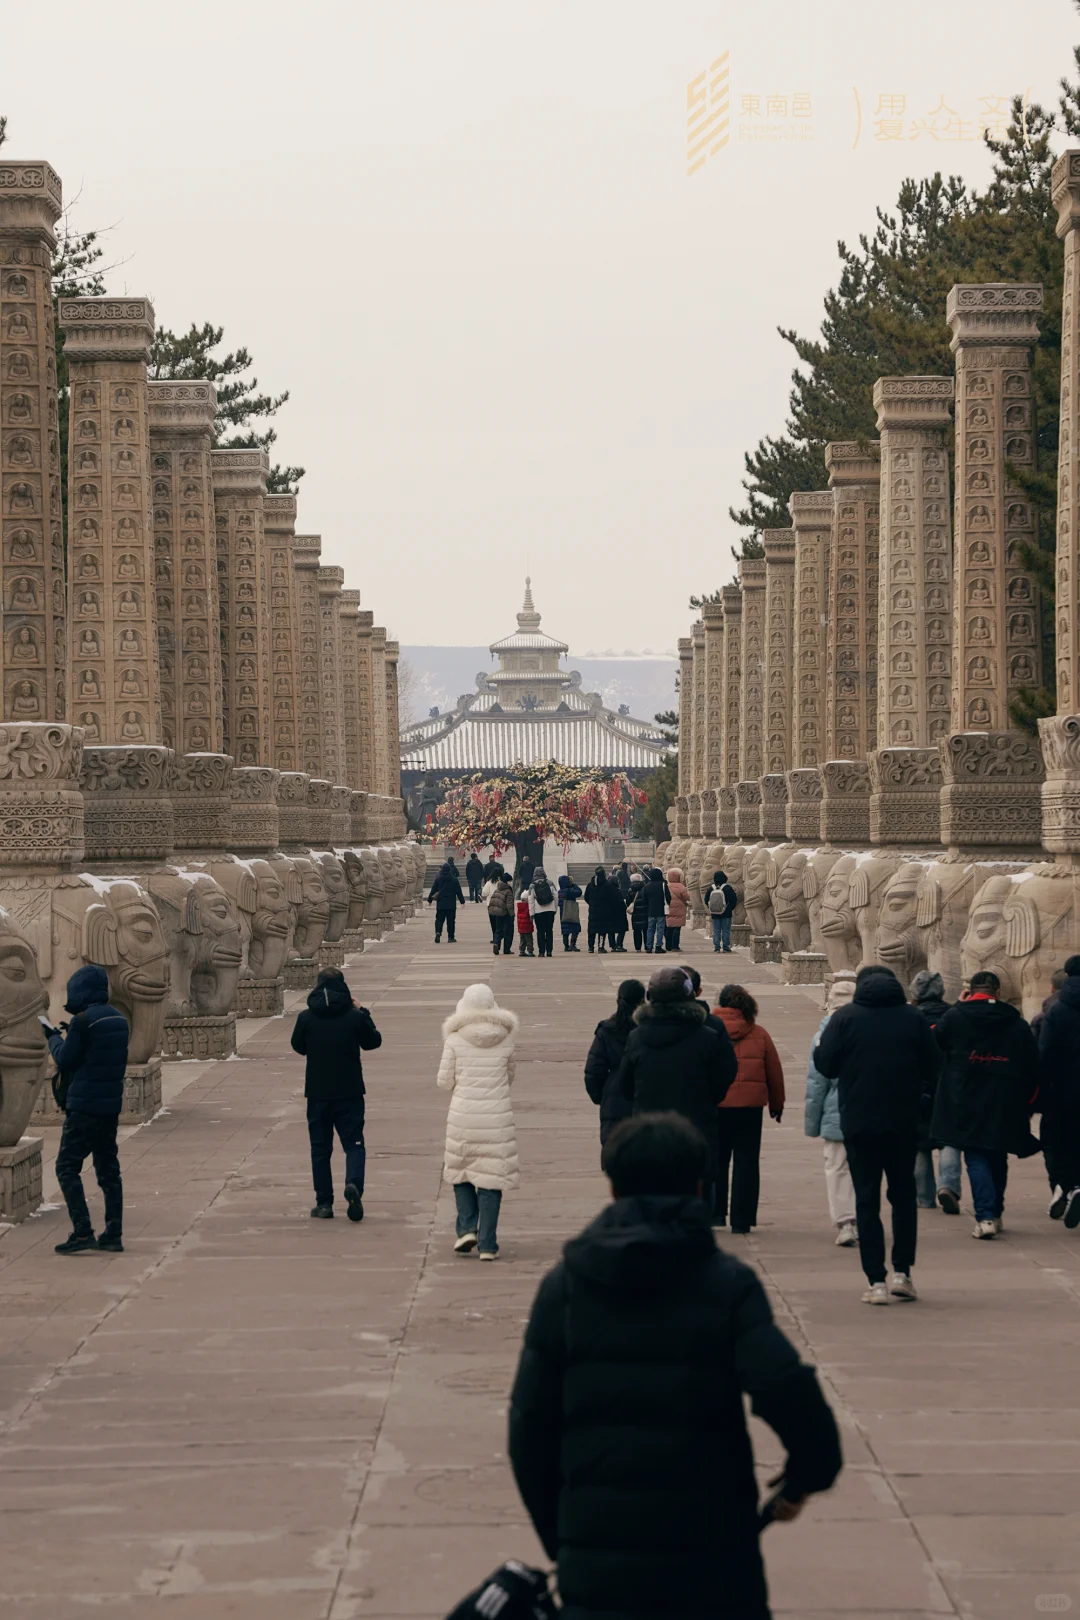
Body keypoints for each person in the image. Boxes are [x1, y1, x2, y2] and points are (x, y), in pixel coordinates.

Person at [508, 1113, 843, 1620]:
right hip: (711, 1558)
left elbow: (528, 1427)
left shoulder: (567, 1286)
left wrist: (566, 1540)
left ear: (613, 1187)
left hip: (598, 1566)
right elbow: (788, 1391)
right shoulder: (726, 1284)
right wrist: (802, 1481)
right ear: (699, 1185)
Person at [812, 964, 940, 1304]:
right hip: (902, 1121)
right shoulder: (912, 1019)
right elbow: (934, 1067)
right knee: (902, 1197)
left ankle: (876, 1281)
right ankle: (903, 1272)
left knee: (866, 1199)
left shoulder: (846, 1017)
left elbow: (825, 1064)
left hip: (859, 1120)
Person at [931, 969, 1041, 1239]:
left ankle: (986, 1216)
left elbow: (934, 1040)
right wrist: (1029, 1103)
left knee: (976, 1155)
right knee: (997, 1155)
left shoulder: (957, 1016)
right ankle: (996, 1211)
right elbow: (1032, 1064)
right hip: (1006, 1098)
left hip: (965, 1096)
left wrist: (959, 1005)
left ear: (971, 990)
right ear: (998, 992)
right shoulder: (1015, 1021)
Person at [616, 965, 737, 1196]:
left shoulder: (637, 1037)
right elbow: (725, 1075)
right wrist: (709, 1098)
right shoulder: (707, 1037)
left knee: (653, 1197)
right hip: (696, 1128)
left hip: (649, 1129)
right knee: (696, 1199)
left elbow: (625, 1086)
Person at [47, 965, 129, 1254]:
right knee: (108, 1170)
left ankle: (82, 1231)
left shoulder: (83, 1022)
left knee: (66, 1167)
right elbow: (99, 1053)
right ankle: (113, 1233)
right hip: (109, 1107)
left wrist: (54, 1038)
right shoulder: (119, 1020)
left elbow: (65, 1059)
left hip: (83, 1107)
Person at [290, 967, 382, 1222]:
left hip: (318, 1093)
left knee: (320, 1149)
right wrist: (363, 1012)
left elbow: (298, 1046)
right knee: (354, 1145)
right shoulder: (353, 1017)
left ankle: (324, 1203)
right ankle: (353, 1185)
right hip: (350, 1091)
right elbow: (373, 1041)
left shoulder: (307, 1017)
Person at [438, 983, 518, 1259]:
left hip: (463, 1114)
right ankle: (488, 1244)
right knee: (491, 1177)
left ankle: (467, 1227)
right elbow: (509, 1077)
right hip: (496, 1116)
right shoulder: (506, 1038)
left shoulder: (455, 1039)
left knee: (460, 1171)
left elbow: (444, 1080)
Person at [713, 985, 785, 1234]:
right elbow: (774, 1073)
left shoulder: (707, 1032)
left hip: (716, 1105)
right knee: (746, 1162)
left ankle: (716, 1212)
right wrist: (777, 1104)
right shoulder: (759, 1033)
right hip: (750, 1107)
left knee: (717, 1160)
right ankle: (742, 1219)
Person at [803, 972, 858, 1247]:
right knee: (863, 1167)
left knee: (837, 1167)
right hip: (868, 1112)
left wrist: (813, 1124)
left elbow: (816, 1085)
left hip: (836, 1112)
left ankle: (845, 1221)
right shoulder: (869, 1030)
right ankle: (863, 1216)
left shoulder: (824, 1034)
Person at [907, 970, 961, 1214]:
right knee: (949, 1138)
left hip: (917, 1086)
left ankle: (924, 1197)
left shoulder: (909, 1017)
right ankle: (948, 1185)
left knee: (919, 1143)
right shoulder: (953, 1015)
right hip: (949, 1084)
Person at [1038, 955, 1080, 1228]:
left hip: (1062, 1089)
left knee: (1055, 1139)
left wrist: (1040, 1085)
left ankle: (1062, 1186)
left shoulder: (1056, 1009)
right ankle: (1075, 1186)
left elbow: (1046, 1052)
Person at [583, 979, 646, 1148]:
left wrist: (602, 1096)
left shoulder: (608, 1030)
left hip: (614, 1101)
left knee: (618, 1158)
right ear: (643, 1001)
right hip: (645, 1097)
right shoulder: (649, 1030)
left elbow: (594, 1071)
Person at [427, 861, 465, 943]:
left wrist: (430, 900)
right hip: (451, 904)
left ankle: (438, 932)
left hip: (441, 904)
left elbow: (433, 890)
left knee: (439, 920)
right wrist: (462, 901)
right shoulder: (454, 880)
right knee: (451, 921)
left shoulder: (438, 879)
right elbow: (458, 891)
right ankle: (451, 937)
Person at [704, 868, 738, 954]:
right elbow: (734, 900)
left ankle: (717, 947)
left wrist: (712, 908)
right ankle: (726, 947)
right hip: (726, 913)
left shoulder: (711, 888)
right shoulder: (727, 888)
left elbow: (706, 900)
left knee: (716, 930)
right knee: (726, 930)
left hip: (715, 913)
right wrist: (729, 909)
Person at [528, 867, 558, 957]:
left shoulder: (532, 885)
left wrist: (531, 913)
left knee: (540, 931)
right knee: (549, 931)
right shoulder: (550, 883)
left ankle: (541, 952)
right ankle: (549, 951)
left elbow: (531, 900)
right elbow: (556, 897)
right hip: (550, 910)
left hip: (538, 911)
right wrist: (554, 909)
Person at [486, 872, 515, 956]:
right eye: (510, 881)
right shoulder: (508, 891)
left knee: (498, 930)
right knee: (508, 932)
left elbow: (493, 901)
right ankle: (506, 949)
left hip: (497, 914)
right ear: (507, 881)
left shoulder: (497, 889)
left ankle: (496, 943)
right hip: (506, 914)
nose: (511, 882)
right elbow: (509, 905)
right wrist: (512, 914)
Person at [584, 865, 611, 953]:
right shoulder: (607, 885)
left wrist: (591, 904)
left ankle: (590, 947)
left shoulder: (590, 885)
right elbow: (611, 897)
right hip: (604, 910)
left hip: (593, 910)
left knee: (592, 928)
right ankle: (600, 946)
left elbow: (586, 897)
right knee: (602, 929)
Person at [663, 866, 690, 953]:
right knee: (677, 929)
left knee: (669, 929)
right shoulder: (681, 887)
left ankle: (668, 946)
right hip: (679, 909)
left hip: (669, 909)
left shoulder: (666, 886)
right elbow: (686, 897)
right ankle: (675, 946)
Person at [642, 865, 668, 953]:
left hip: (651, 910)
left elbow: (644, 899)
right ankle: (658, 946)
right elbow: (668, 897)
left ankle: (649, 946)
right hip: (661, 909)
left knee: (650, 929)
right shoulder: (663, 885)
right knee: (660, 929)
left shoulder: (647, 886)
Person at [557, 874, 582, 951]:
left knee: (565, 930)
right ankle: (572, 944)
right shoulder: (569, 891)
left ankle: (566, 946)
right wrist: (573, 884)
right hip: (571, 910)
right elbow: (579, 892)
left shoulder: (560, 891)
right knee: (576, 928)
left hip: (563, 912)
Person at [627, 869, 648, 952]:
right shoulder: (645, 889)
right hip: (645, 912)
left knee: (636, 931)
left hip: (635, 914)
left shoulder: (630, 890)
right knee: (646, 930)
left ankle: (638, 948)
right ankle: (647, 946)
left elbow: (628, 902)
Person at [607, 871, 628, 952]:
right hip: (619, 913)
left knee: (610, 929)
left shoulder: (607, 890)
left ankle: (612, 945)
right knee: (622, 929)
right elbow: (621, 902)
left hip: (609, 912)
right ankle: (619, 944)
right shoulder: (617, 890)